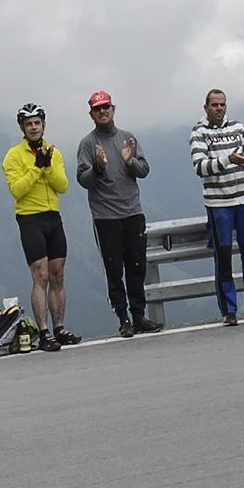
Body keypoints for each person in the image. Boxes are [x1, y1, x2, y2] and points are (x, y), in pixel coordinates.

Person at [189, 89, 244, 323]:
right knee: (224, 256)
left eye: (222, 104)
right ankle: (229, 310)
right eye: (215, 105)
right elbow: (200, 167)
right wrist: (229, 159)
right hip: (218, 204)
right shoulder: (199, 132)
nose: (219, 108)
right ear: (206, 107)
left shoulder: (238, 127)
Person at [74, 92, 155, 336]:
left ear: (113, 109)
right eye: (97, 109)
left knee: (137, 266)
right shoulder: (88, 144)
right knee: (113, 269)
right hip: (105, 217)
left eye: (106, 107)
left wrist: (130, 161)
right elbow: (82, 180)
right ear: (91, 114)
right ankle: (123, 318)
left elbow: (144, 171)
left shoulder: (127, 138)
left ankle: (139, 316)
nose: (102, 112)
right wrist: (98, 167)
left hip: (132, 212)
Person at [2, 104, 75, 346]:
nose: (34, 127)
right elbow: (17, 190)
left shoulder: (54, 152)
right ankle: (44, 332)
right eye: (29, 124)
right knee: (40, 275)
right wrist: (36, 168)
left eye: (37, 123)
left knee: (57, 275)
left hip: (53, 216)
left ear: (44, 125)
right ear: (22, 127)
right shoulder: (13, 155)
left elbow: (62, 186)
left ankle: (60, 328)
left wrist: (47, 166)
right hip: (30, 218)